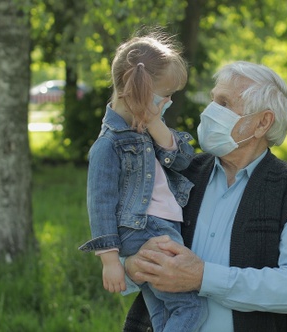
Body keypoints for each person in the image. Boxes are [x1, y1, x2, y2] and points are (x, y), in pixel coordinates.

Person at [122, 61, 287, 332]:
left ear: (262, 123)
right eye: (212, 100)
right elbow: (128, 231)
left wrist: (203, 277)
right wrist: (130, 265)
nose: (210, 112)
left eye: (224, 103)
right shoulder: (181, 173)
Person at [78, 29, 206, 332]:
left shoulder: (146, 130)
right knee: (191, 308)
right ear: (137, 91)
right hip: (147, 228)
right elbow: (100, 202)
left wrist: (154, 121)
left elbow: (184, 159)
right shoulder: (109, 144)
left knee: (161, 315)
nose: (170, 102)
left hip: (160, 226)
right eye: (165, 95)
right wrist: (110, 261)